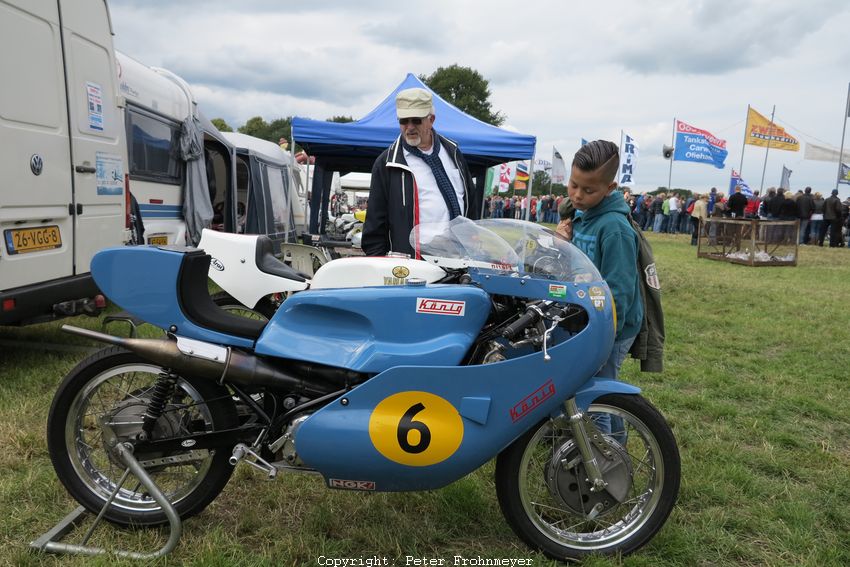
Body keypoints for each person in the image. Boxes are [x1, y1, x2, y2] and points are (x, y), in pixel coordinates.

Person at [559, 140, 643, 437]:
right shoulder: (582, 214)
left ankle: (605, 457)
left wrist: (603, 335)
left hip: (612, 325)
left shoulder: (614, 229)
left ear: (610, 188)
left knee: (596, 395)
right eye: (573, 185)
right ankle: (615, 444)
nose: (578, 195)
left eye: (588, 190)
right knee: (604, 391)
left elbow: (620, 291)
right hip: (589, 317)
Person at [362, 88, 476, 256]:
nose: (409, 127)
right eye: (403, 121)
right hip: (412, 266)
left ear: (431, 120)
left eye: (416, 120)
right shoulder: (386, 163)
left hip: (457, 259)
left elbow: (470, 205)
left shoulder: (453, 152)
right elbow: (374, 230)